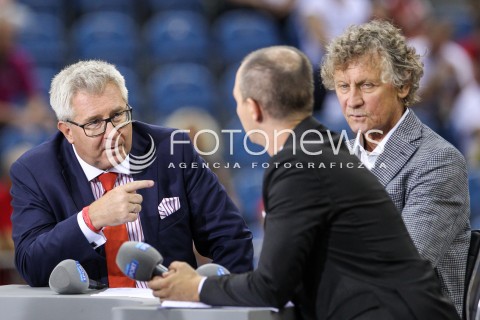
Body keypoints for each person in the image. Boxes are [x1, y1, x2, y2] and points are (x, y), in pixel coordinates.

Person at [147, 45, 459, 320]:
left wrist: (195, 286)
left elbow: (269, 287)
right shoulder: (324, 147)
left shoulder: (296, 164)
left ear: (253, 109)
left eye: (238, 102)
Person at [9, 60, 254, 288]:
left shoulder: (173, 150)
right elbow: (32, 264)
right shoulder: (35, 172)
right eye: (94, 122)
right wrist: (90, 220)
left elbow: (231, 237)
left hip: (166, 309)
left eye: (117, 115)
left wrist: (220, 297)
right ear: (67, 131)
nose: (112, 132)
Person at [320, 20, 471, 316]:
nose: (352, 101)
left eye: (367, 85)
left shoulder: (438, 161)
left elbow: (402, 266)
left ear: (402, 85)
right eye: (343, 86)